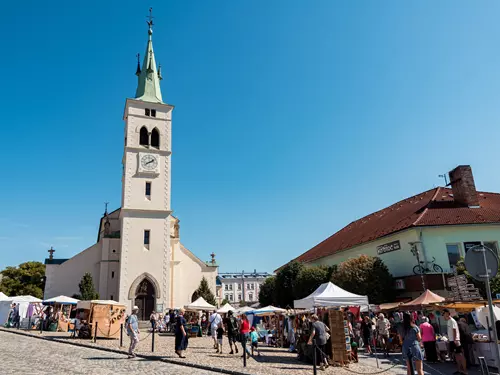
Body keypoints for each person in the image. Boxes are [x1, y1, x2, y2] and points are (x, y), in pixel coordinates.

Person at [443, 309, 467, 375]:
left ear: (447, 313)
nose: (443, 316)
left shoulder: (452, 320)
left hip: (455, 340)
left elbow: (454, 330)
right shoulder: (448, 321)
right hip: (452, 340)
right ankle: (459, 370)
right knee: (456, 355)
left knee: (460, 355)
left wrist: (455, 340)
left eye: (444, 314)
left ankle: (465, 371)